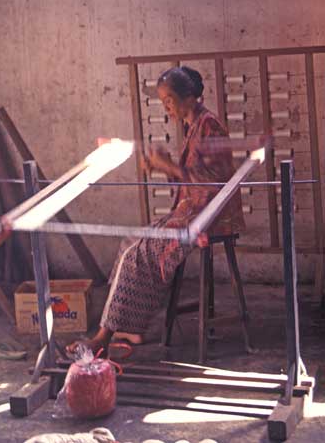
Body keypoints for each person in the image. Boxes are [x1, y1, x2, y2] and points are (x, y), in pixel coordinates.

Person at [67, 66, 244, 355]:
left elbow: (213, 183)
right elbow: (190, 178)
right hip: (192, 211)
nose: (167, 108)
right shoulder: (194, 125)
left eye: (169, 100)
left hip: (209, 218)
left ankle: (103, 336)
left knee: (138, 254)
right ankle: (130, 327)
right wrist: (162, 167)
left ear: (189, 98)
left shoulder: (209, 126)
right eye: (164, 102)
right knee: (130, 243)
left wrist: (167, 165)